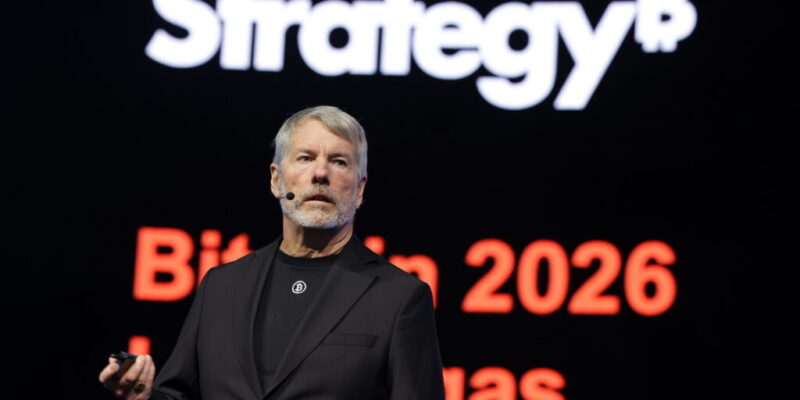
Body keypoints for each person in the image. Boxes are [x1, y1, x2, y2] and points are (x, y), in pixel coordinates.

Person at [99, 105, 445, 399]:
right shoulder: (221, 287)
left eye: (339, 162)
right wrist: (143, 396)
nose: (320, 173)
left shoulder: (398, 298)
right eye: (305, 158)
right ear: (276, 180)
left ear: (359, 189)